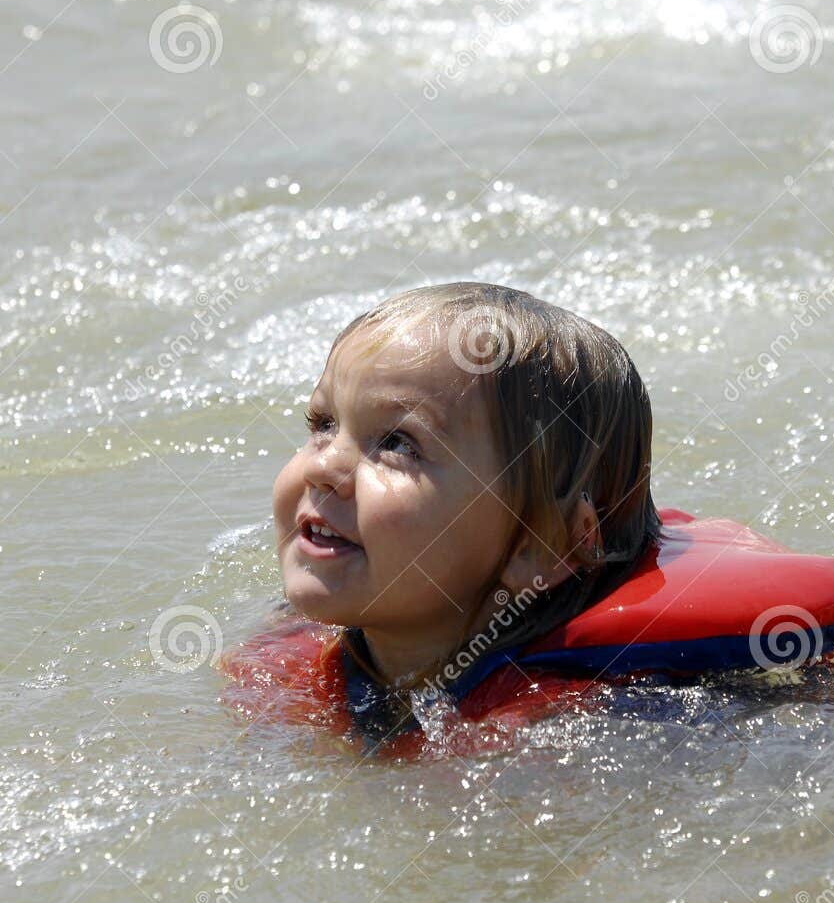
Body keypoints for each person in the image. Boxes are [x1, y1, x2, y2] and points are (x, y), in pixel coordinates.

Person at [224, 281, 660, 757]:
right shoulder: (290, 655)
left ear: (541, 544)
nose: (321, 467)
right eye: (323, 424)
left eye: (397, 443)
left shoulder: (573, 734)